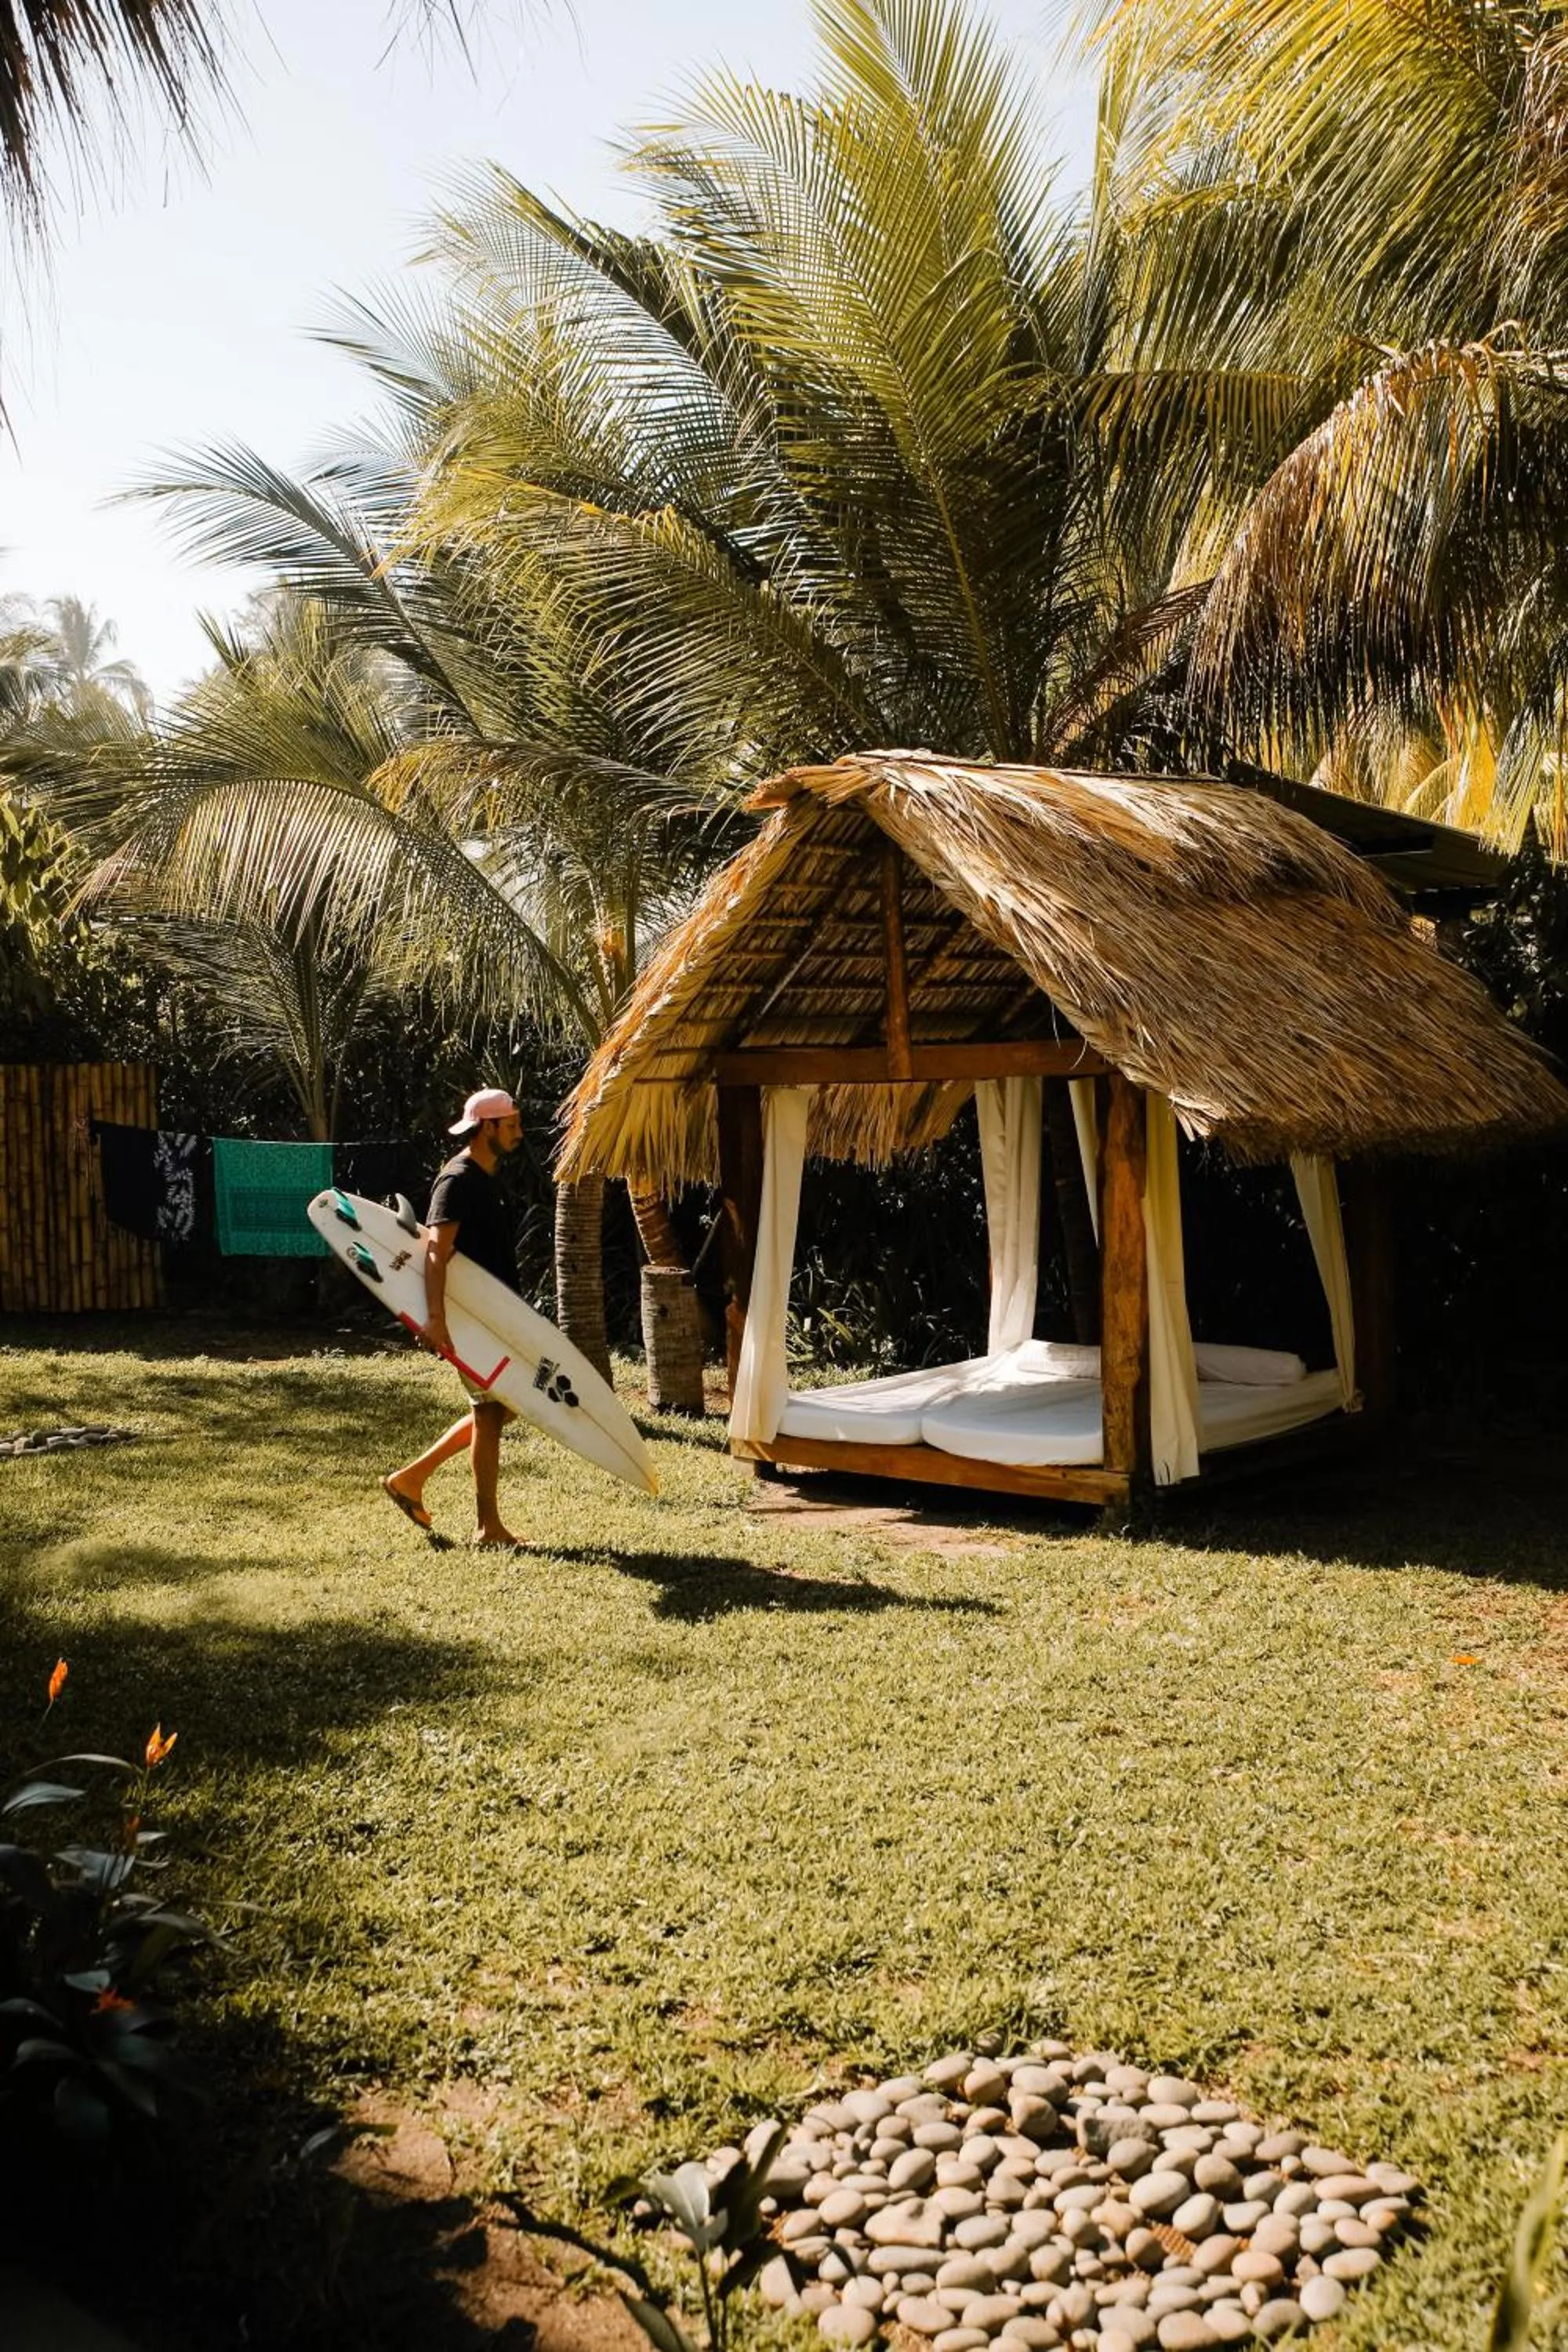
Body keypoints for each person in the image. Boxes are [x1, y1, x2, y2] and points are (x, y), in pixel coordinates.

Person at [382, 1088, 526, 1548]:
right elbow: (434, 1254)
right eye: (512, 1125)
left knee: (502, 1408)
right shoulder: (458, 1180)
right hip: (468, 1320)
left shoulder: (486, 1175)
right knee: (489, 1411)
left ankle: (410, 1478)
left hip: (492, 1315)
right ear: (489, 1127)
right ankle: (488, 1528)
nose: (519, 1133)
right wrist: (436, 1319)